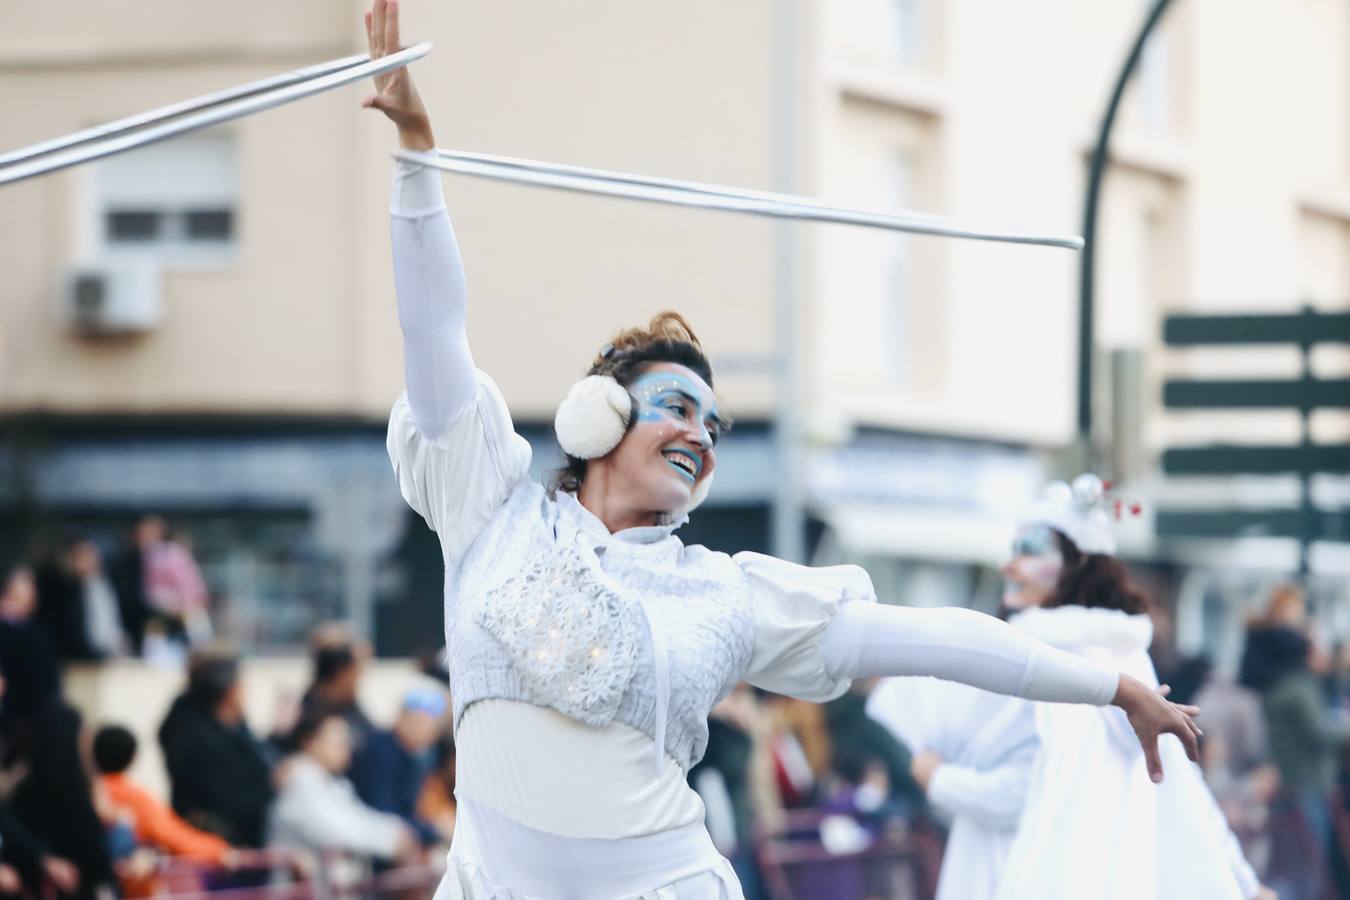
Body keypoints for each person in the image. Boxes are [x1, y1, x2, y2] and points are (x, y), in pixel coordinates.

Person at [363, 4, 1200, 895]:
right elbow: (434, 333)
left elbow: (938, 639)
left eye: (714, 427)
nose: (699, 435)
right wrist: (417, 157)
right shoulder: (491, 514)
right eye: (677, 406)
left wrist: (1116, 690)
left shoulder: (724, 595)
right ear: (597, 413)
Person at [268, 710, 418, 864]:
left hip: (328, 884)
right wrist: (390, 841)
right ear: (310, 743)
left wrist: (398, 830)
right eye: (338, 742)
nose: (346, 748)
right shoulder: (299, 782)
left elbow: (360, 818)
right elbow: (338, 833)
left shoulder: (332, 782)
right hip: (300, 886)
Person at [158, 650, 275, 847]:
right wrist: (273, 783)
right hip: (219, 843)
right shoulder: (198, 739)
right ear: (229, 691)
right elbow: (233, 796)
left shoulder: (230, 724)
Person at [93, 725, 238, 867]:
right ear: (133, 758)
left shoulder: (90, 793)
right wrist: (219, 850)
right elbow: (176, 838)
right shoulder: (137, 799)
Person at [349, 686, 448, 847]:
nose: (427, 729)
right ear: (401, 717)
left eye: (433, 724)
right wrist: (433, 831)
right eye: (419, 721)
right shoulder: (381, 751)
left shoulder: (420, 754)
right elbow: (384, 812)